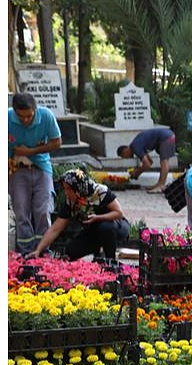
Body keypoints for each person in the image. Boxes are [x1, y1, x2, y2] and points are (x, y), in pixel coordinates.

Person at [26, 169, 130, 261]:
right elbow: (55, 229)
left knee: (105, 228)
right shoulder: (71, 202)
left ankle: (110, 261)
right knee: (68, 254)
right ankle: (97, 252)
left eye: (68, 189)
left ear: (78, 188)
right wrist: (38, 250)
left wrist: (97, 218)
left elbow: (119, 213)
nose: (66, 192)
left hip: (115, 226)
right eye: (65, 189)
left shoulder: (100, 191)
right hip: (93, 232)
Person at [8, 92, 62, 254]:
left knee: (43, 209)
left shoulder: (46, 116)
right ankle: (25, 251)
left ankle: (43, 250)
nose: (25, 120)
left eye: (29, 116)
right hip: (17, 170)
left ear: (35, 110)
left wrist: (31, 151)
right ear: (14, 110)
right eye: (21, 116)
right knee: (21, 212)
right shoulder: (6, 118)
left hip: (41, 168)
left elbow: (57, 142)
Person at [117, 128, 176, 193]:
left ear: (125, 151)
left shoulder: (135, 147)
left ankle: (161, 185)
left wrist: (137, 172)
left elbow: (147, 165)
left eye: (124, 156)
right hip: (168, 135)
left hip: (166, 137)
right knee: (163, 161)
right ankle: (159, 184)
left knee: (164, 161)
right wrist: (137, 172)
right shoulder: (137, 145)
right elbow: (150, 162)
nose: (127, 158)